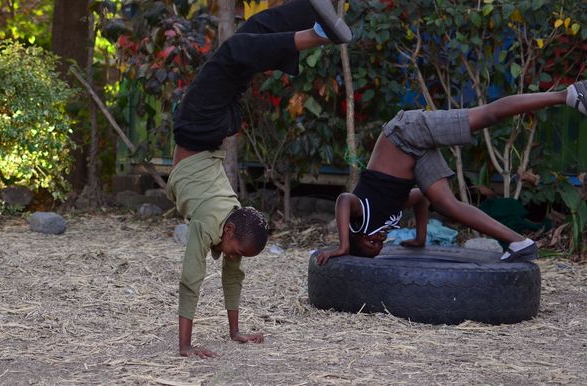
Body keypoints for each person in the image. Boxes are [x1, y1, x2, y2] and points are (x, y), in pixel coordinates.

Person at [168, 0, 353, 358]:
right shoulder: (226, 225)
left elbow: (204, 279)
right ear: (233, 230)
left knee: (238, 52)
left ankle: (316, 31)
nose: (232, 258)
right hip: (205, 131)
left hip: (202, 130)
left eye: (236, 253)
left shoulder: (217, 227)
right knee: (241, 46)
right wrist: (202, 341)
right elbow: (204, 281)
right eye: (237, 251)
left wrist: (204, 340)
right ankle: (312, 15)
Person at [315, 80, 587, 266]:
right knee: (447, 205)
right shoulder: (390, 210)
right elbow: (421, 197)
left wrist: (342, 247)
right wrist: (420, 237)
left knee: (486, 117)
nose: (380, 241)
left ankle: (568, 95)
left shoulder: (360, 215)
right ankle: (519, 243)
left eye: (372, 242)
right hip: (415, 153)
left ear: (359, 235)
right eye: (380, 247)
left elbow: (343, 200)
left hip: (405, 133)